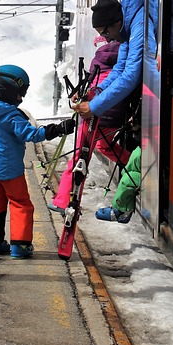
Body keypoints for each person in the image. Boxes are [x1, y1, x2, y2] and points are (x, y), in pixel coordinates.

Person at [0, 64, 75, 259]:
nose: (21, 98)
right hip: (10, 169)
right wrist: (58, 129)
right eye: (19, 93)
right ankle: (21, 245)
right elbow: (32, 134)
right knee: (20, 203)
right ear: (8, 90)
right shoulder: (11, 115)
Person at [48, 38, 133, 214]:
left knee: (80, 156)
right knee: (104, 145)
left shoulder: (98, 66)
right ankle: (134, 166)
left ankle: (63, 201)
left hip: (93, 117)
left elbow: (93, 91)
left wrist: (80, 97)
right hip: (115, 120)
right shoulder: (125, 67)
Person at [73, 0, 159, 120]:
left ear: (117, 22)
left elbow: (131, 76)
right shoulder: (126, 27)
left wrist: (93, 107)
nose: (107, 40)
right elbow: (120, 69)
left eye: (105, 33)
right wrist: (96, 91)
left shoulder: (140, 27)